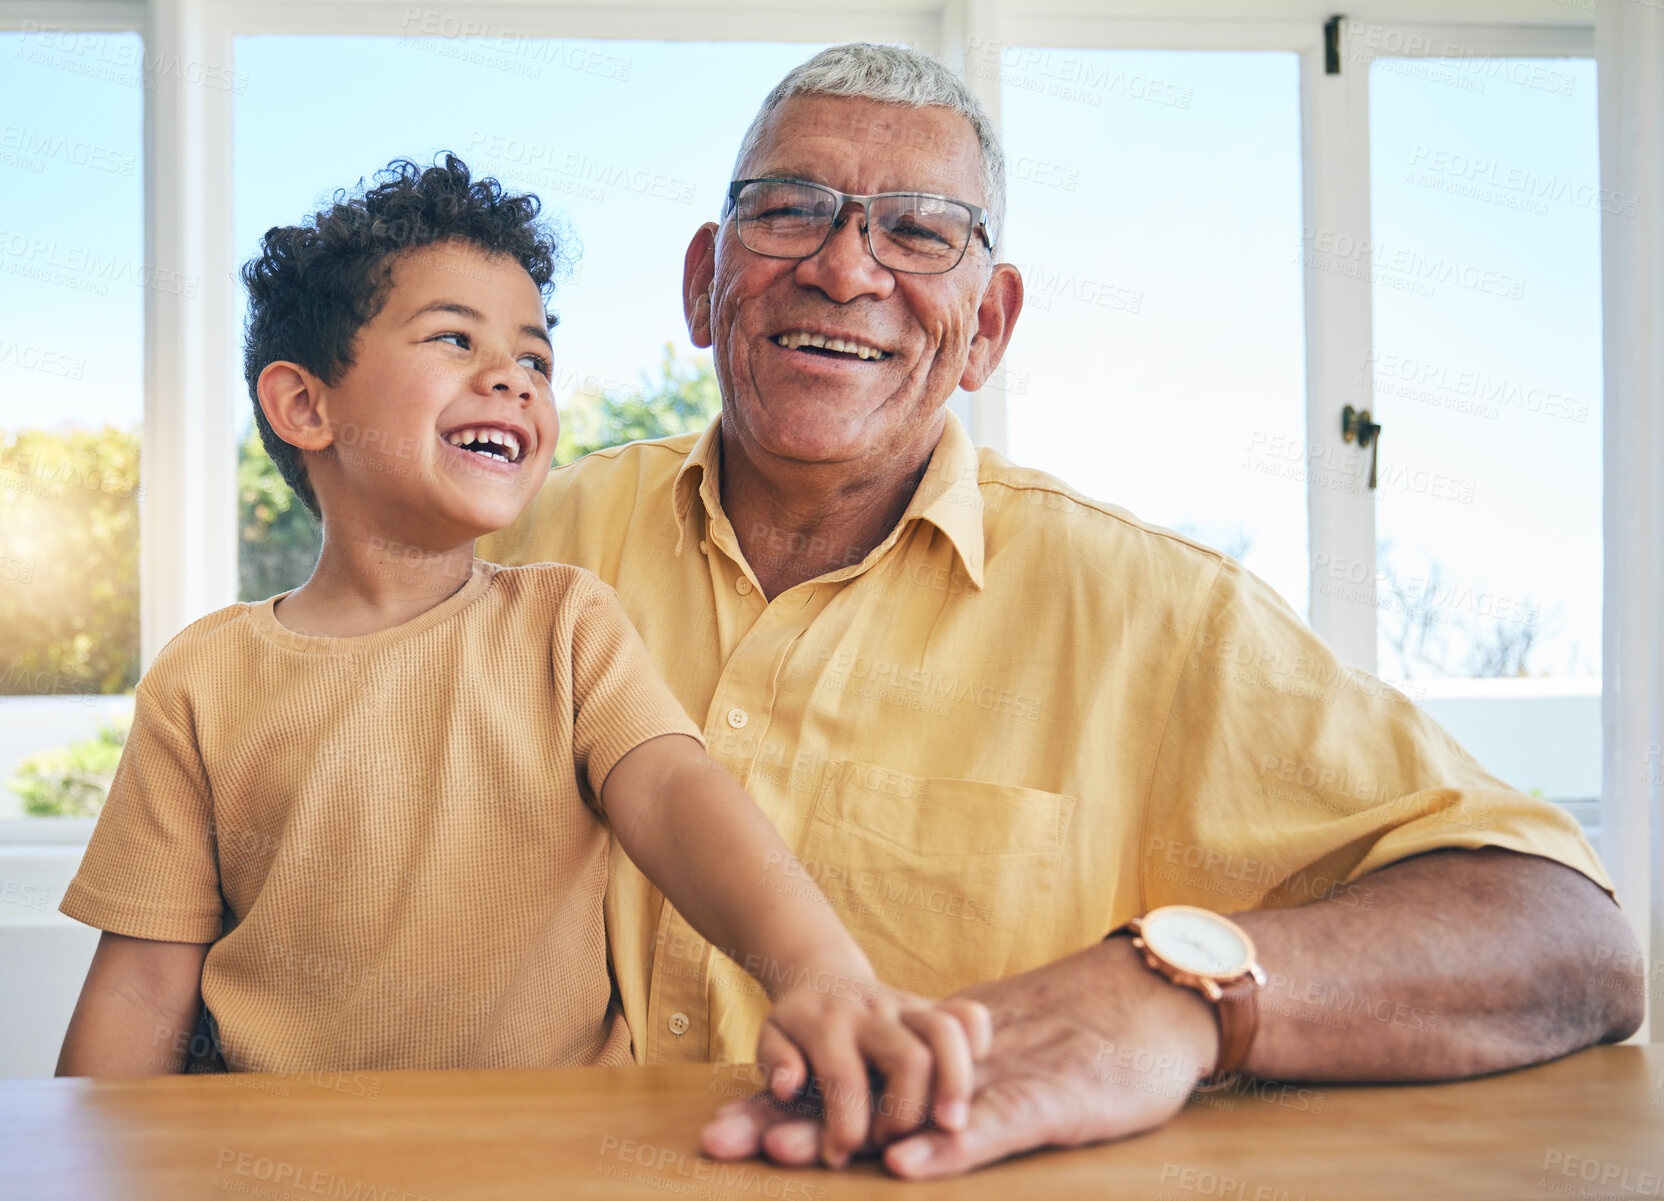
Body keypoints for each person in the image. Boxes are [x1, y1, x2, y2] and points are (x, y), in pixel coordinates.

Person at [478, 43, 1645, 1179]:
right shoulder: (504, 550)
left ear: (986, 327)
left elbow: (1567, 938)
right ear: (702, 280)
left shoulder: (1159, 618)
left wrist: (1180, 990)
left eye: (919, 231)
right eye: (789, 210)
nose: (843, 267)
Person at [52, 155, 988, 1165]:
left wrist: (821, 975)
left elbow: (676, 797)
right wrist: (64, 1159)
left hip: (554, 1162)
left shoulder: (563, 621)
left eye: (534, 360)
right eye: (455, 339)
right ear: (305, 407)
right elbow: (144, 984)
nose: (511, 377)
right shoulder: (203, 676)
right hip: (281, 1164)